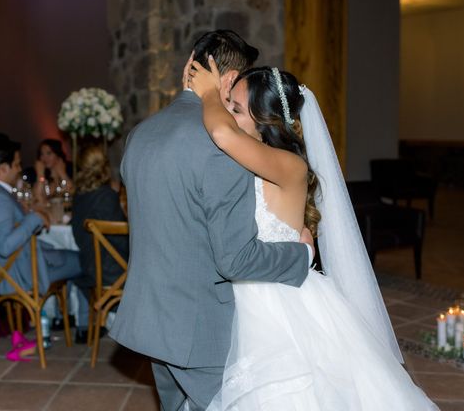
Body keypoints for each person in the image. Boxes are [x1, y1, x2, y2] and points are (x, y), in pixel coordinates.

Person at [188, 57, 438, 409]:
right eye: (229, 106)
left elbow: (221, 133)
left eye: (238, 109)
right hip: (249, 287)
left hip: (277, 301)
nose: (229, 114)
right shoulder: (249, 158)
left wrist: (209, 95)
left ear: (266, 122)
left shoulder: (290, 165)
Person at [109, 30, 314, 410]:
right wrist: (301, 256)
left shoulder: (139, 134)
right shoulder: (222, 143)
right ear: (230, 80)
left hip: (151, 319)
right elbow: (234, 258)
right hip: (202, 329)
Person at [0, 133, 87, 342]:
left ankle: (62, 316)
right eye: (16, 164)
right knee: (87, 260)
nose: (20, 169)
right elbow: (5, 246)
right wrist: (34, 218)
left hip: (2, 270)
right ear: (3, 169)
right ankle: (84, 325)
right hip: (20, 275)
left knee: (69, 256)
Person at [71, 146, 128, 309]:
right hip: (112, 270)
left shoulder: (79, 196)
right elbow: (121, 240)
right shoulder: (107, 196)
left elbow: (77, 236)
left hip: (89, 265)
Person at [31, 138, 73, 204]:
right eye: (42, 154)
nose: (44, 158)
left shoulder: (70, 169)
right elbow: (37, 198)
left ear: (57, 154)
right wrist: (40, 175)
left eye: (49, 153)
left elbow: (72, 192)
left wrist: (62, 173)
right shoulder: (42, 176)